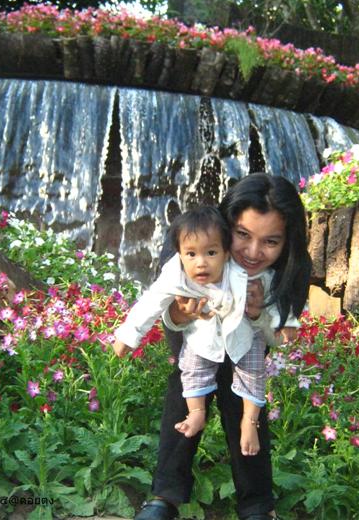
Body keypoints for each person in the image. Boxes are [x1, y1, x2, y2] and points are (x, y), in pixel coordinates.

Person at [134, 173, 312, 520]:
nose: (253, 252)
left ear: (287, 241)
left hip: (248, 341)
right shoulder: (191, 246)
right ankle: (164, 496)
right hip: (195, 334)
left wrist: (259, 314)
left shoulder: (289, 271)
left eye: (270, 241)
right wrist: (182, 313)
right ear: (227, 223)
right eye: (242, 234)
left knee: (244, 402)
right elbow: (166, 313)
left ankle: (257, 505)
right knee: (185, 392)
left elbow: (280, 337)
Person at [113, 206, 274, 455]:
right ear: (179, 254)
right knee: (192, 367)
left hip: (243, 333)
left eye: (211, 252)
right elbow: (151, 302)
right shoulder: (175, 274)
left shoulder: (243, 272)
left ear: (227, 253)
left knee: (253, 371)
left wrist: (283, 322)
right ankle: (197, 413)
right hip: (203, 334)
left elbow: (273, 293)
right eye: (191, 254)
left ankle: (250, 422)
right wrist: (128, 337)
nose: (201, 263)